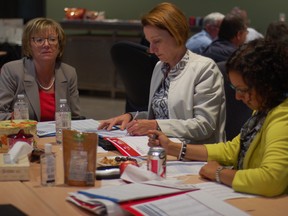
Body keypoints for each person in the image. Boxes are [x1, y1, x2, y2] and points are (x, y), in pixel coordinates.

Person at [148, 39, 288, 197]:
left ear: (267, 84)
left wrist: (219, 173)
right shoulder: (264, 109)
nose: (237, 96)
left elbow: (270, 180)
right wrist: (173, 147)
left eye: (243, 90)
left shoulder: (282, 117)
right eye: (235, 89)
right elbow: (233, 149)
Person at [98, 2, 226, 144]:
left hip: (192, 154)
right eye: (149, 42)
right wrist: (132, 117)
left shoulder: (205, 69)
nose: (151, 50)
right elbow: (164, 114)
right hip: (161, 147)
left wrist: (155, 125)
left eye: (157, 41)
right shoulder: (161, 66)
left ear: (177, 34)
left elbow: (204, 126)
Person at [0, 17, 81, 121]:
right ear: (29, 45)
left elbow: (75, 118)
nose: (47, 44)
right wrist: (15, 118)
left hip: (57, 135)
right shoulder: (12, 70)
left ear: (59, 45)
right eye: (39, 40)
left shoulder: (69, 73)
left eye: (52, 39)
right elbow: (1, 113)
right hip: (24, 134)